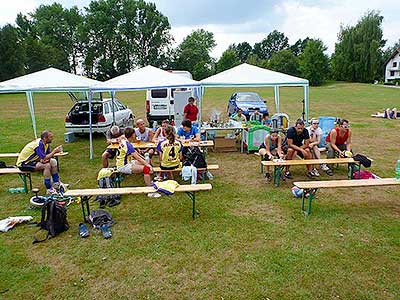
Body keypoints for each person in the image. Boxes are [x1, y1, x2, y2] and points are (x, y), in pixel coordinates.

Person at [16, 130, 64, 194]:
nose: (52, 138)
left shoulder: (46, 144)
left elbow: (47, 156)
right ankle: (49, 189)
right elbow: (44, 157)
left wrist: (46, 159)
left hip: (33, 160)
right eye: (50, 137)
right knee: (46, 166)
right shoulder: (39, 144)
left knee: (53, 161)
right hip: (24, 163)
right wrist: (55, 151)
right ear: (45, 138)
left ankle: (56, 183)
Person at [116, 127, 158, 197]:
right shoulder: (128, 145)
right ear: (132, 135)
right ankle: (150, 191)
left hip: (126, 162)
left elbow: (136, 153)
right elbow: (137, 157)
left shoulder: (124, 141)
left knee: (146, 162)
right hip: (123, 166)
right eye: (134, 134)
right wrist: (148, 165)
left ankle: (150, 182)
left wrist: (145, 160)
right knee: (146, 169)